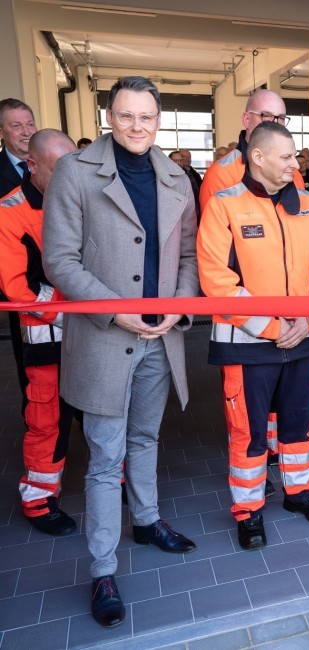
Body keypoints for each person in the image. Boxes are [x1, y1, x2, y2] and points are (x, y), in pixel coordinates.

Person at [43, 76, 199, 628]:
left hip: (162, 335)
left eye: (148, 117)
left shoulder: (177, 177)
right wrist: (117, 308)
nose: (138, 126)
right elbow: (58, 261)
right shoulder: (75, 172)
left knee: (146, 436)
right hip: (107, 336)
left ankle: (150, 519)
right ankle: (103, 568)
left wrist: (180, 306)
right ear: (110, 116)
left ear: (160, 121)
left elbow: (186, 258)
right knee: (107, 459)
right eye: (127, 116)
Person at [197, 121, 309, 548]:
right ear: (257, 158)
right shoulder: (224, 205)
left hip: (303, 342)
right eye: (286, 156)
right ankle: (249, 510)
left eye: (295, 156)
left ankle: (301, 493)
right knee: (249, 431)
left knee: (298, 424)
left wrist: (306, 321)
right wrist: (278, 327)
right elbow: (217, 282)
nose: (294, 163)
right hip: (247, 347)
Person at [0, 129, 77, 536]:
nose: (69, 178)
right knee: (47, 419)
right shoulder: (8, 212)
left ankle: (113, 481)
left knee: (106, 411)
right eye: (58, 170)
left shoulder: (81, 200)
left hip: (91, 335)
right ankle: (39, 500)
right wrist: (77, 312)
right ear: (32, 165)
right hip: (47, 339)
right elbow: (20, 289)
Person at [199, 89, 302, 208]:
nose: (276, 124)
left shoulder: (293, 172)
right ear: (246, 120)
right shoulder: (220, 175)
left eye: (281, 118)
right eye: (266, 115)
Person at [0, 98, 37, 401]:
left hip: (64, 286)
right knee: (33, 366)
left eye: (29, 124)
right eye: (16, 126)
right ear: (2, 132)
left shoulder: (57, 165)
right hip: (19, 289)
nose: (26, 132)